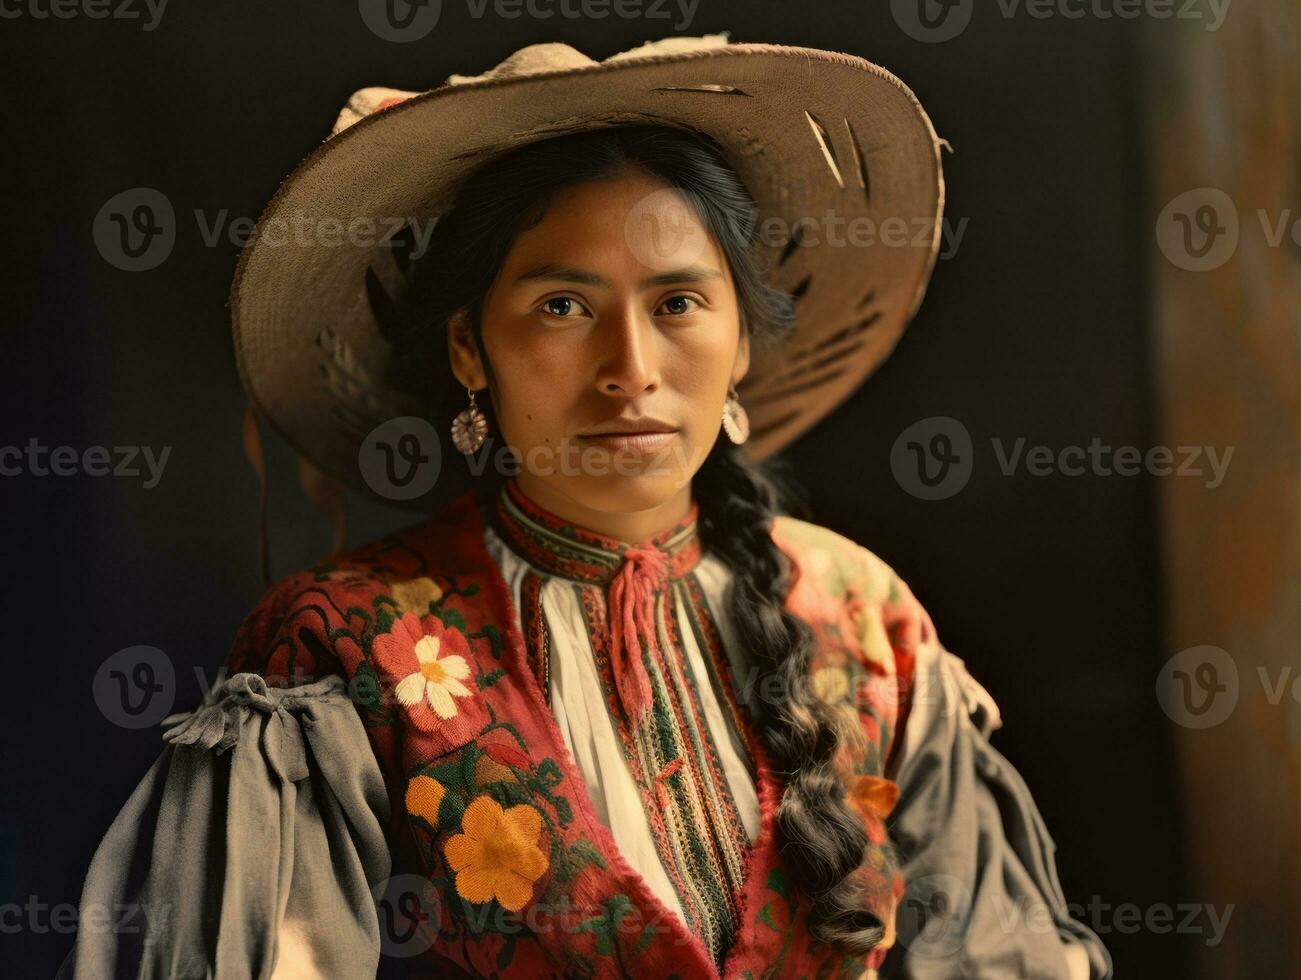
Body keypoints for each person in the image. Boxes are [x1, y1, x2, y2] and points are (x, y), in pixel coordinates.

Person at [58, 35, 1113, 980]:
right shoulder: (353, 645)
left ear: (741, 342)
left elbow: (991, 954)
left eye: (678, 303)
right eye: (561, 305)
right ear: (469, 346)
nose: (630, 368)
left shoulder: (859, 616)